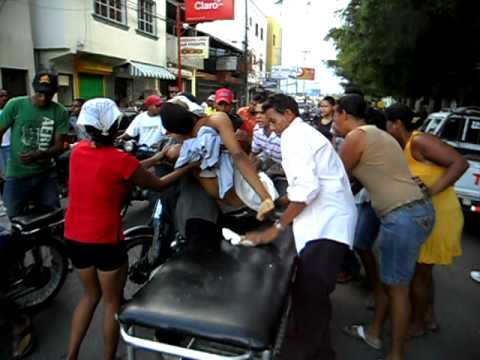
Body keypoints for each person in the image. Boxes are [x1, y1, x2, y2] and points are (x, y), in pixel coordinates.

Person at [64, 98, 199, 360]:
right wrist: (188, 166)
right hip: (105, 239)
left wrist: (156, 157)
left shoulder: (78, 151)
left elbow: (124, 169)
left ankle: (71, 356)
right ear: (116, 126)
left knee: (90, 296)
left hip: (74, 236)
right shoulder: (121, 160)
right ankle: (108, 357)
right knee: (112, 302)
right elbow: (158, 183)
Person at [245, 94, 357, 360]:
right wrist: (277, 202)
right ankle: (317, 348)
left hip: (328, 225)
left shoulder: (294, 137)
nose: (270, 127)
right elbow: (306, 185)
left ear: (288, 114)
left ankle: (311, 353)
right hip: (325, 220)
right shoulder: (301, 133)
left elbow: (307, 190)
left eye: (272, 121)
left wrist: (275, 230)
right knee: (309, 293)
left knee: (311, 295)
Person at [336, 94, 435, 360]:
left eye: (335, 114)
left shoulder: (355, 137)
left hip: (402, 215)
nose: (333, 120)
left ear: (343, 114)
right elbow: (361, 180)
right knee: (389, 282)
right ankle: (374, 333)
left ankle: (396, 354)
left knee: (397, 287)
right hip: (418, 211)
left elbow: (335, 180)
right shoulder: (378, 135)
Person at [385, 103, 468, 336]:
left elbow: (460, 163)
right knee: (424, 273)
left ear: (396, 124)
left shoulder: (419, 141)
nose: (386, 129)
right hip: (425, 215)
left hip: (439, 214)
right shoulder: (405, 146)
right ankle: (428, 316)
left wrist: (431, 190)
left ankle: (418, 323)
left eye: (387, 125)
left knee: (418, 275)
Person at [0, 71, 69, 218]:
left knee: (52, 217)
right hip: (16, 175)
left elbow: (59, 146)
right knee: (11, 219)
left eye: (49, 94)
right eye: (39, 93)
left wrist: (40, 154)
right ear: (33, 89)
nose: (43, 98)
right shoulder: (15, 105)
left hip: (46, 175)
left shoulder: (60, 112)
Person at [250, 91, 282, 168]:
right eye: (256, 113)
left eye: (262, 113)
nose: (258, 116)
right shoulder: (257, 130)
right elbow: (254, 153)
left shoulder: (283, 134)